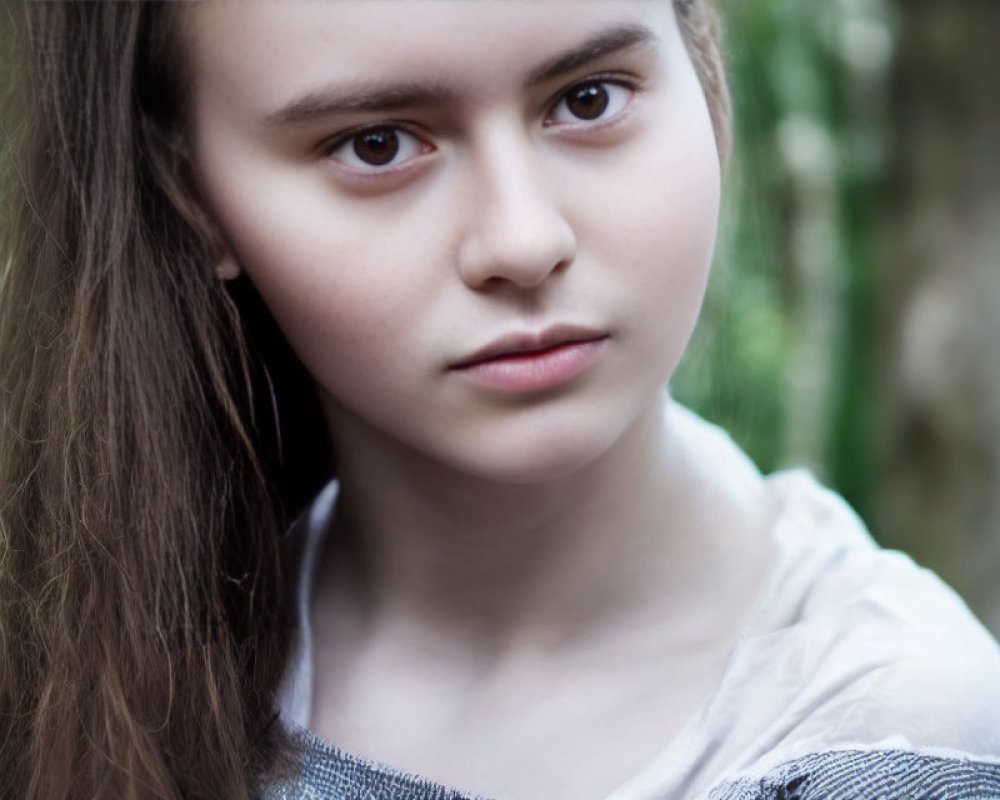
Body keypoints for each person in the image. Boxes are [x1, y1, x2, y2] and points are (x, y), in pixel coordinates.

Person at [1, 2, 998, 799]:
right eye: (379, 145)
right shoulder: (79, 660)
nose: (522, 240)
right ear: (195, 200)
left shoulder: (891, 736)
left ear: (703, 69)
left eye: (589, 97)